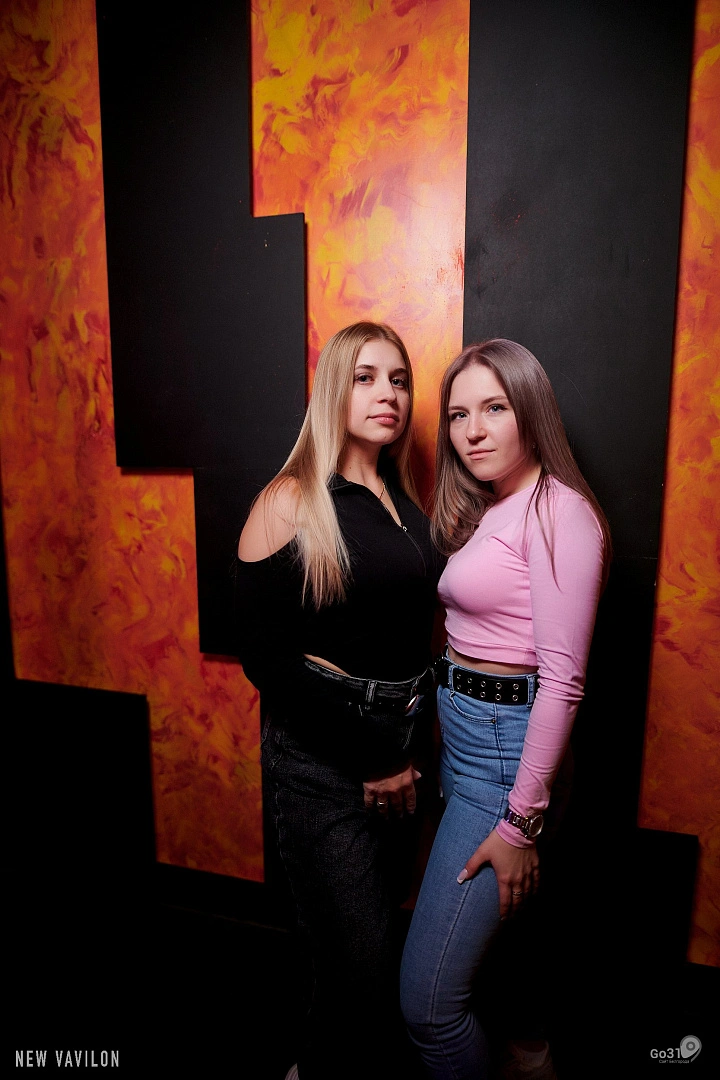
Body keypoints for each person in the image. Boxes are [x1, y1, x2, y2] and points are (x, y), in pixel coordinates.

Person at [235, 322, 444, 1080]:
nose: (388, 393)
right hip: (326, 763)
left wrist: (411, 752)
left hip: (401, 758)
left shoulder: (402, 502)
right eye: (366, 376)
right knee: (361, 962)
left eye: (399, 379)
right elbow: (264, 656)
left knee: (366, 952)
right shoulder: (291, 498)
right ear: (333, 388)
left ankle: (318, 1065)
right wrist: (374, 757)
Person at [400, 340, 611, 1079]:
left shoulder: (560, 512)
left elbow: (563, 681)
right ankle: (529, 1054)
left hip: (504, 758)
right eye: (458, 415)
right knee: (503, 957)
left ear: (531, 408)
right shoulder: (497, 506)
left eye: (493, 408)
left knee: (428, 1006)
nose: (473, 430)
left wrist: (520, 823)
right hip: (465, 742)